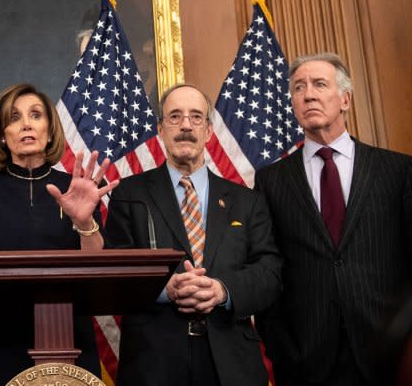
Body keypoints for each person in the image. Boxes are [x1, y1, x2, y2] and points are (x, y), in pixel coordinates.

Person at [254, 52, 412, 386]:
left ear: (345, 99)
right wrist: (284, 347)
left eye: (319, 84)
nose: (307, 94)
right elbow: (268, 267)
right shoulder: (270, 181)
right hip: (306, 360)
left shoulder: (397, 170)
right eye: (298, 88)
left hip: (389, 353)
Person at [105, 84, 282, 386]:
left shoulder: (246, 200)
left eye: (196, 117)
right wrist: (165, 288)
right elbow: (114, 274)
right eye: (175, 116)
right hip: (154, 363)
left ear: (209, 131)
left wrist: (223, 291)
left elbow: (269, 274)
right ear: (160, 129)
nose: (186, 125)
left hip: (232, 364)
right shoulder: (129, 194)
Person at [0, 83, 119, 385]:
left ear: (50, 130)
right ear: (3, 135)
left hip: (69, 337)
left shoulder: (77, 188)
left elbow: (99, 269)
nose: (26, 124)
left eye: (35, 115)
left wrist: (84, 222)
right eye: (14, 118)